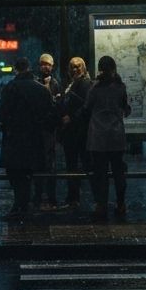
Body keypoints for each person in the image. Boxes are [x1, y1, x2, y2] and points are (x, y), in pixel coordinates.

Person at [0, 57, 54, 216]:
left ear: (16, 69)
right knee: (29, 171)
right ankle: (28, 202)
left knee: (15, 172)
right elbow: (49, 113)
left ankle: (19, 202)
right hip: (34, 136)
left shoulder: (10, 88)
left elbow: (2, 113)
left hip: (14, 136)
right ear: (29, 68)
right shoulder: (40, 89)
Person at [84, 55, 131, 219]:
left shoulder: (95, 88)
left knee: (100, 174)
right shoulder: (120, 87)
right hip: (116, 135)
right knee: (118, 172)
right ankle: (121, 204)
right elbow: (126, 107)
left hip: (98, 136)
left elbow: (87, 107)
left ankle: (101, 205)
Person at [58, 57, 93, 208]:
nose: (75, 69)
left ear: (84, 68)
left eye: (78, 67)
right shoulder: (72, 83)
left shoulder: (85, 83)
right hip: (72, 131)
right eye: (72, 67)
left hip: (79, 131)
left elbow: (86, 106)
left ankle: (76, 197)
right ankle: (74, 197)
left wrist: (70, 117)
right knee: (74, 165)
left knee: (81, 164)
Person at [34, 53, 62, 210]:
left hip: (49, 128)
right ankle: (39, 195)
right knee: (40, 162)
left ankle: (50, 196)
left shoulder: (55, 83)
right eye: (43, 64)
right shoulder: (36, 82)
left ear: (52, 66)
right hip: (40, 128)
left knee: (50, 163)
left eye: (48, 64)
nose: (45, 67)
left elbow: (57, 104)